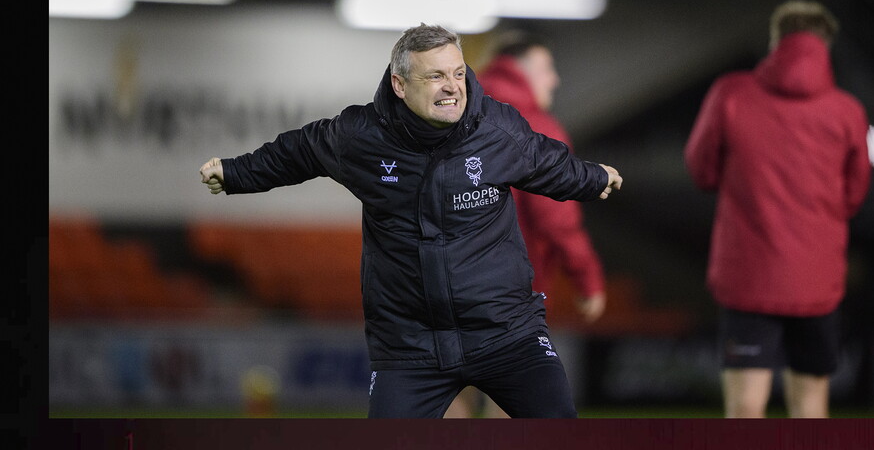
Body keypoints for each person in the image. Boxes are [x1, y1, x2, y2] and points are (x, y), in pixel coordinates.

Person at [199, 23, 623, 418]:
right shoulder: (360, 136)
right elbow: (299, 152)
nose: (452, 86)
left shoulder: (497, 127)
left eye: (458, 73)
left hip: (508, 334)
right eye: (435, 76)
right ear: (400, 85)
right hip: (410, 349)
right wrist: (236, 173)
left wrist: (594, 178)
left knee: (562, 433)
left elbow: (545, 161)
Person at [683, 0, 872, 418]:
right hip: (817, 278)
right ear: (825, 44)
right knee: (811, 406)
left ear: (776, 41)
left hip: (749, 275)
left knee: (745, 408)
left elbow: (701, 170)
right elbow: (855, 195)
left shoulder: (731, 93)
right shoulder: (848, 111)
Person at [444, 31, 608, 418]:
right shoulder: (535, 126)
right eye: (547, 68)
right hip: (507, 289)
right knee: (511, 398)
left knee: (447, 393)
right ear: (523, 70)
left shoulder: (450, 116)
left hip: (440, 281)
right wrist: (587, 277)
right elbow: (556, 216)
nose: (555, 79)